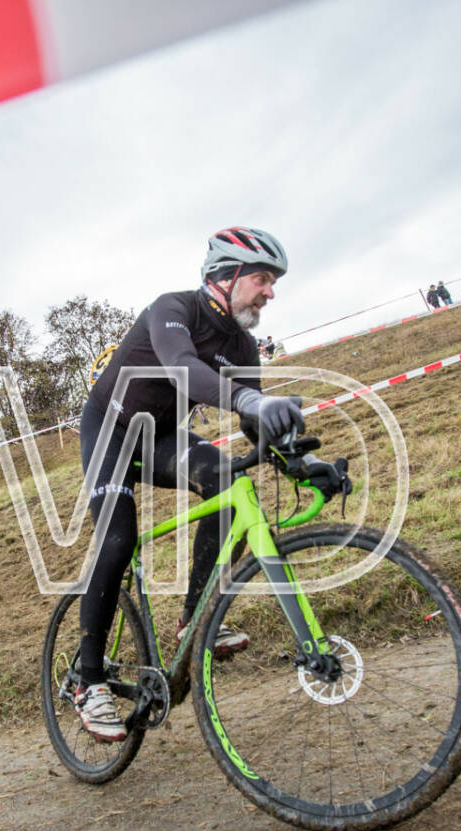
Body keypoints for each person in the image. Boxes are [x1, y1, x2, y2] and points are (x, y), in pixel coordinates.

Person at [75, 226, 303, 741]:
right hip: (110, 430)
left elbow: (254, 423)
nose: (271, 292)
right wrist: (248, 402)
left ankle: (195, 621)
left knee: (229, 488)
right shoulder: (173, 308)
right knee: (117, 541)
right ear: (225, 277)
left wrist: (298, 460)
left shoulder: (243, 345)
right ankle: (89, 683)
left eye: (273, 282)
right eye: (263, 278)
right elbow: (182, 368)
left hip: (158, 436)